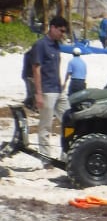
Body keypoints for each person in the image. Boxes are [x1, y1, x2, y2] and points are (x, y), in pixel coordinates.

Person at [28, 15, 70, 160]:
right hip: (46, 90)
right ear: (52, 28)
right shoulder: (40, 45)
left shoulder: (56, 45)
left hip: (59, 90)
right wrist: (38, 94)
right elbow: (36, 69)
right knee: (46, 125)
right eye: (61, 31)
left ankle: (66, 155)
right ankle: (45, 158)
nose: (63, 34)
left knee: (70, 120)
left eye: (64, 31)